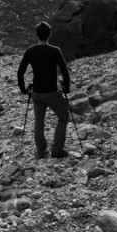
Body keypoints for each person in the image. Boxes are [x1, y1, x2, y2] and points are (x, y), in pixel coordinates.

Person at [17, 21, 71, 159]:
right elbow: (64, 70)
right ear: (50, 34)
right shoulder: (55, 51)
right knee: (63, 117)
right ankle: (57, 150)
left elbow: (20, 72)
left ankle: (41, 152)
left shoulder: (30, 51)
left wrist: (23, 89)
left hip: (37, 94)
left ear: (37, 35)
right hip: (52, 92)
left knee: (39, 122)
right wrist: (67, 87)